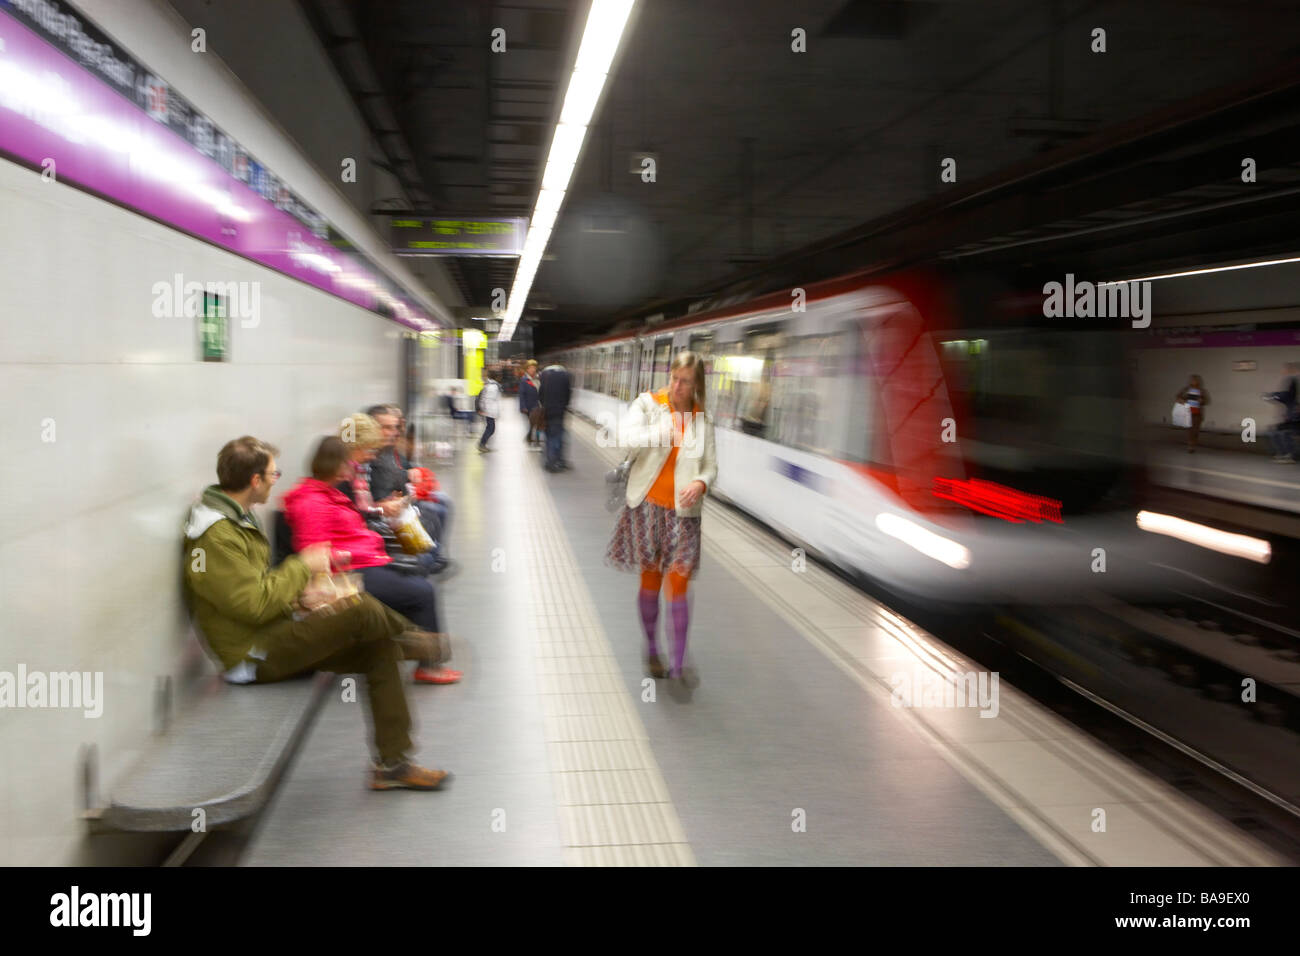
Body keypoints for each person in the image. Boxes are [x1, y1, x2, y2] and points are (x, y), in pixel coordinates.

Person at [183, 436, 450, 790]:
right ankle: (414, 641)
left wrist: (302, 598)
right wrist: (302, 566)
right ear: (254, 481)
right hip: (251, 656)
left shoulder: (237, 519)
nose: (277, 478)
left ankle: (393, 764)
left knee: (377, 647)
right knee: (358, 609)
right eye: (272, 473)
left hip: (272, 635)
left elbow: (255, 594)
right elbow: (253, 604)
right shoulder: (216, 536)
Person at [284, 423, 463, 686]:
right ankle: (429, 663)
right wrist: (362, 551)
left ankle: (425, 651)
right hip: (348, 574)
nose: (351, 470)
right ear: (336, 465)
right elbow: (315, 553)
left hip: (365, 561)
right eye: (347, 464)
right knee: (422, 591)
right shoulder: (313, 503)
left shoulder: (327, 494)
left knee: (415, 574)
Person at [605, 351, 717, 693]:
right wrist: (662, 429)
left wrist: (701, 483)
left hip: (684, 517)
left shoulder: (702, 420)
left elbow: (711, 466)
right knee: (651, 580)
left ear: (697, 385)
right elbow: (624, 440)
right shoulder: (648, 405)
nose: (677, 387)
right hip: (647, 508)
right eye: (674, 379)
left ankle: (679, 664)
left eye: (685, 382)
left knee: (680, 583)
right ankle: (653, 648)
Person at [365, 404, 452, 571]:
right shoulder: (371, 460)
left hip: (397, 505)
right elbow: (379, 497)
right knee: (434, 510)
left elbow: (398, 476)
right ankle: (429, 556)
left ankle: (433, 554)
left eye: (395, 427)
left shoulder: (388, 451)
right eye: (387, 428)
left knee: (441, 503)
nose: (393, 432)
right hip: (388, 515)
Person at [539, 361, 572, 472]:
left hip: (547, 411)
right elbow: (568, 394)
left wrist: (544, 405)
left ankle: (551, 461)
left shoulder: (545, 375)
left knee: (549, 437)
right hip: (559, 411)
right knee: (557, 437)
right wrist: (565, 405)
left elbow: (541, 394)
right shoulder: (565, 375)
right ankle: (555, 462)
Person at [1264, 362, 1300, 462]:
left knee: (1283, 432)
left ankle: (1289, 455)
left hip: (1294, 417)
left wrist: (1271, 396)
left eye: (1285, 370)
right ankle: (1285, 454)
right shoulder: (1292, 380)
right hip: (1292, 416)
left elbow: (1286, 396)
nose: (1283, 372)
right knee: (1276, 431)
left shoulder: (1293, 380)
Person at [1176, 375, 1209, 453]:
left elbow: (1207, 400)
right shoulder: (1186, 390)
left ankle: (1193, 443)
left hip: (1197, 414)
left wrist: (1202, 401)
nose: (1193, 382)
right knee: (1190, 430)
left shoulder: (1201, 391)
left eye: (1195, 380)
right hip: (1188, 413)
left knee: (1195, 431)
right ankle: (1191, 446)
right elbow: (1178, 396)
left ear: (1198, 381)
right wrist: (1181, 400)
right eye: (1192, 380)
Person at [519, 360, 542, 448]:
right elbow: (521, 394)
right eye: (531, 368)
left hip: (538, 405)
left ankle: (537, 440)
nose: (533, 369)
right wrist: (523, 407)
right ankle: (530, 437)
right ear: (527, 369)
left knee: (538, 424)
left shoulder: (538, 378)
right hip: (529, 406)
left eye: (534, 368)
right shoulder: (524, 380)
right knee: (532, 424)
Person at [477, 371, 501, 453]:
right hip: (489, 411)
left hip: (489, 411)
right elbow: (489, 400)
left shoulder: (490, 385)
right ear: (497, 378)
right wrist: (488, 411)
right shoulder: (493, 387)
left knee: (490, 428)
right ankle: (482, 444)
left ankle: (483, 444)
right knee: (491, 429)